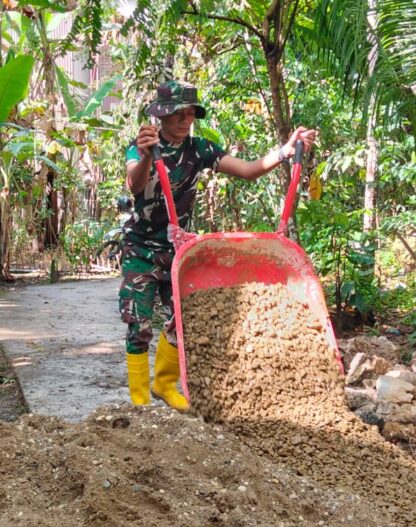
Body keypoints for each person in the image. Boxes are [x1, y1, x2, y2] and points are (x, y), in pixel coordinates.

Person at [121, 79, 316, 410]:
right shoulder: (139, 147)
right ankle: (139, 399)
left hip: (177, 250)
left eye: (190, 114)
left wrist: (286, 150)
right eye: (177, 114)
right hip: (140, 248)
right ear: (161, 116)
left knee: (178, 321)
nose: (185, 121)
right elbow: (135, 184)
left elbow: (249, 170)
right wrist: (144, 156)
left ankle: (165, 384)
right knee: (138, 323)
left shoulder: (200, 149)